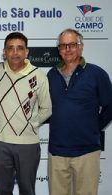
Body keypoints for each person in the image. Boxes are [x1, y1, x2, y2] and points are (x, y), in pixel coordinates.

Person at [47, 28, 112, 195]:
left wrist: (93, 128)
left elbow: (110, 106)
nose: (68, 49)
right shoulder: (51, 75)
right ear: (59, 50)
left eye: (72, 45)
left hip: (87, 151)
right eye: (63, 46)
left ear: (81, 47)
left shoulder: (97, 73)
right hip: (57, 152)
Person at [0, 32, 52, 195]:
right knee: (2, 190)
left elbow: (47, 108)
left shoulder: (38, 75)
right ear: (4, 52)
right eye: (11, 48)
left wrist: (32, 123)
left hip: (28, 144)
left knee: (27, 190)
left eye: (19, 48)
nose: (15, 52)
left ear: (26, 52)